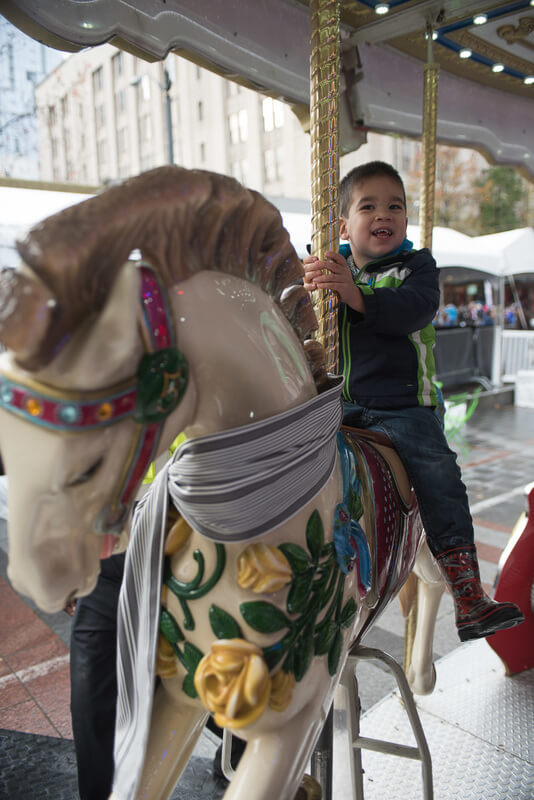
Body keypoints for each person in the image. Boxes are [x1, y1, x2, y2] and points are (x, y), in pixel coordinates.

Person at [303, 160, 524, 642]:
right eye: (369, 206)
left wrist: (354, 294)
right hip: (341, 404)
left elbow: (412, 310)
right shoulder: (331, 266)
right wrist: (309, 292)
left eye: (394, 206)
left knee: (439, 472)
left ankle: (467, 592)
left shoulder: (417, 267)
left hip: (403, 405)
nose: (384, 214)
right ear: (343, 224)